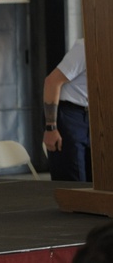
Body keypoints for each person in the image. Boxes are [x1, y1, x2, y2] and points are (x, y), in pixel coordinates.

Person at [44, 38, 91, 182]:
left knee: (95, 182)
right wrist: (51, 127)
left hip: (89, 115)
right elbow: (52, 82)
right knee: (73, 181)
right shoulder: (85, 47)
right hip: (68, 114)